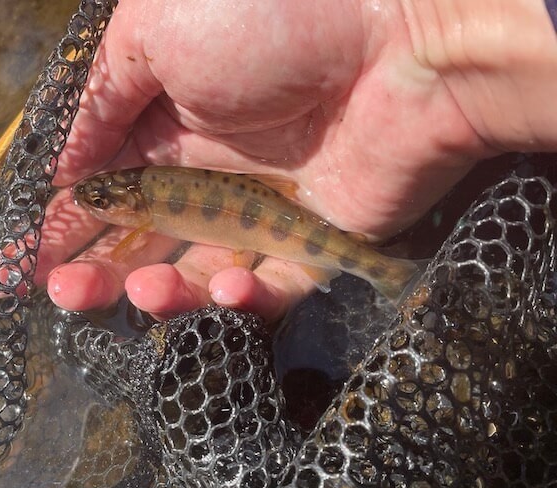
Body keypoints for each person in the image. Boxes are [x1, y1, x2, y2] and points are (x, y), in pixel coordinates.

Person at [36, 0, 557, 322]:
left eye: (103, 199)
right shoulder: (144, 194)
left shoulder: (141, 209)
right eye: (101, 199)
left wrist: (414, 25)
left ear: (130, 207)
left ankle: (390, 273)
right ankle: (390, 272)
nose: (95, 200)